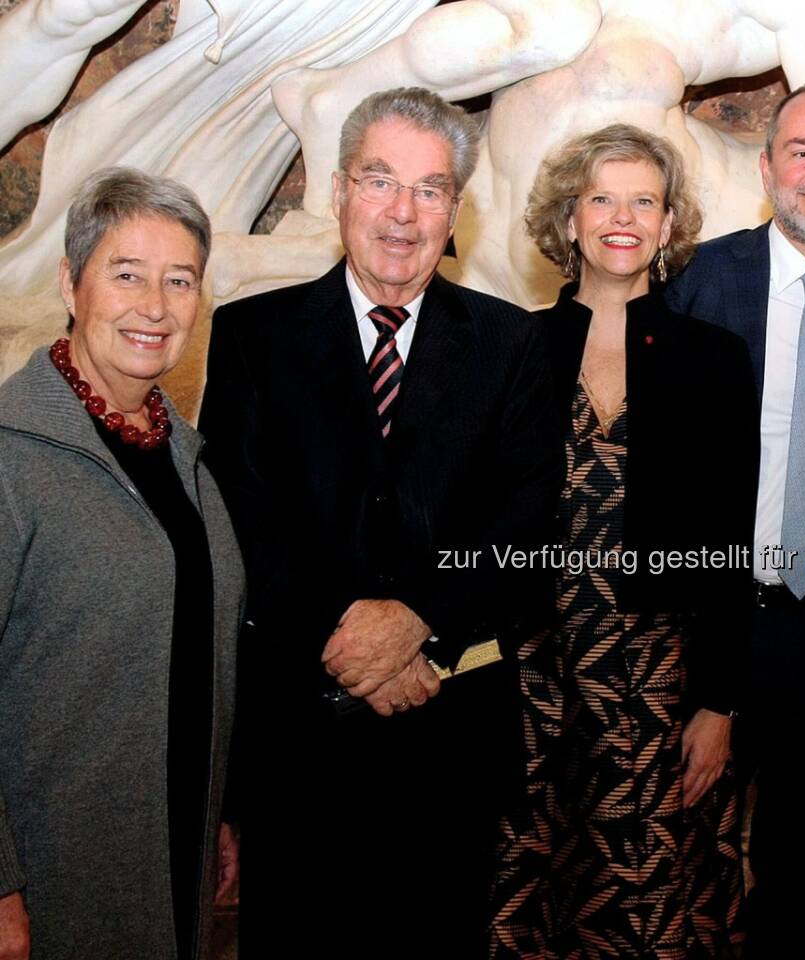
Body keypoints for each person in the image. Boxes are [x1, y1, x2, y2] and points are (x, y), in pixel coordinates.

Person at [199, 87, 561, 954]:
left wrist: (415, 621)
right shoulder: (253, 334)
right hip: (297, 748)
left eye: (429, 189)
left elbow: (522, 528)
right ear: (337, 192)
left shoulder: (515, 345)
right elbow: (243, 519)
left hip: (447, 742)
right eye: (379, 180)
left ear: (456, 211)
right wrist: (347, 636)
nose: (402, 213)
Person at [491, 122, 756, 959]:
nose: (621, 216)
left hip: (655, 684)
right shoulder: (512, 348)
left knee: (647, 905)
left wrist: (718, 703)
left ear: (669, 225)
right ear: (568, 219)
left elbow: (731, 543)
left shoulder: (711, 357)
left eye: (644, 200)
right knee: (530, 897)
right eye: (601, 197)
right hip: (529, 679)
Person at [667, 82, 805, 959]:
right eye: (801, 150)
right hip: (710, 627)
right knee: (684, 861)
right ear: (766, 168)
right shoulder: (697, 285)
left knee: (794, 872)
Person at [0, 167, 242, 960]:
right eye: (127, 274)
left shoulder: (185, 455)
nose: (155, 306)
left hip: (173, 847)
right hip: (50, 874)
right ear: (72, 284)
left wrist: (218, 811)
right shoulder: (10, 453)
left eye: (180, 281)